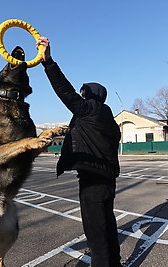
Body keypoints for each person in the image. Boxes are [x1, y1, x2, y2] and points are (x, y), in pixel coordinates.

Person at [37, 36, 122, 267]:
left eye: (84, 93)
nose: (81, 95)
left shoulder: (89, 110)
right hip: (107, 179)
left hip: (93, 180)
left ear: (92, 96)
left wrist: (48, 62)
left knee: (95, 233)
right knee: (108, 223)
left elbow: (65, 91)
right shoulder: (108, 120)